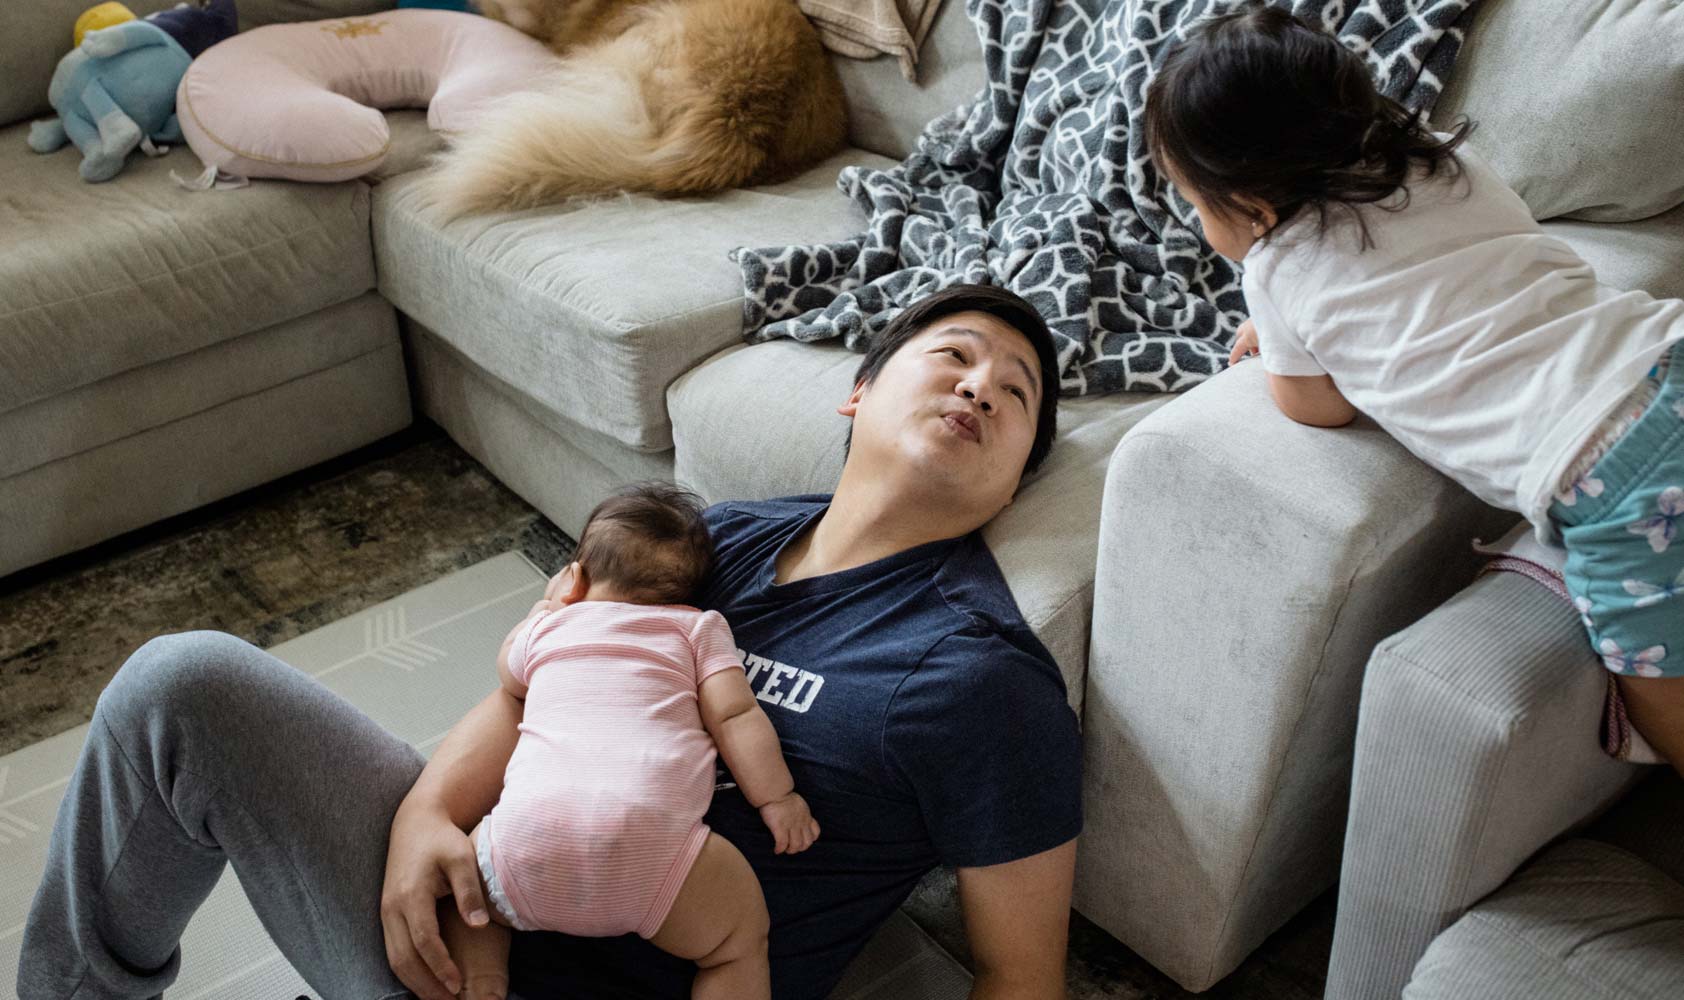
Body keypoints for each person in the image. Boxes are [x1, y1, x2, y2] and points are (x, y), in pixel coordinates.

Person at [18, 282, 1083, 1000]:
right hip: (465, 909)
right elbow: (543, 681)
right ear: (858, 393)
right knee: (180, 683)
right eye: (953, 355)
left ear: (1015, 467)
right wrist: (424, 819)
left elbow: (1019, 982)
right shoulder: (728, 535)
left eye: (1016, 393)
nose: (980, 383)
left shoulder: (979, 673)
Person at [1142, 2, 1684, 774]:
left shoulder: (1278, 268)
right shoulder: (1439, 159)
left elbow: (1315, 406)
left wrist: (1283, 340)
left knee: (1656, 682)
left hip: (1604, 470)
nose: (1199, 226)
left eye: (1195, 205)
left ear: (1256, 207)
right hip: (1661, 350)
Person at [441, 483, 820, 1000]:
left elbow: (511, 680)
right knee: (738, 941)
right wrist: (777, 799)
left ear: (573, 577)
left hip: (528, 841)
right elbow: (735, 716)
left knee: (463, 892)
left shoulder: (548, 629)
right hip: (650, 852)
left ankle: (484, 983)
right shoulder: (698, 629)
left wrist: (546, 610)